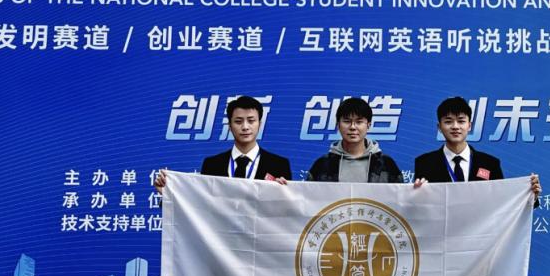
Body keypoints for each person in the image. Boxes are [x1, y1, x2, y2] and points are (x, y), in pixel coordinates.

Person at [154, 95, 290, 194]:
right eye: (238, 121)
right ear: (229, 126)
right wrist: (168, 194)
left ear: (259, 124)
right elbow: (199, 206)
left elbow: (287, 213)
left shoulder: (279, 165)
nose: (245, 127)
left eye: (251, 121)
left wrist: (285, 194)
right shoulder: (212, 165)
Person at [413, 96, 541, 199]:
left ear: (469, 125)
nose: (455, 126)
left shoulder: (490, 163)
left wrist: (530, 196)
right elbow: (419, 207)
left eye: (461, 121)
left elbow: (502, 201)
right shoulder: (424, 163)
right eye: (448, 121)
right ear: (439, 127)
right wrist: (416, 195)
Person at [306, 97, 404, 183]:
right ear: (338, 125)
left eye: (359, 122)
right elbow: (308, 196)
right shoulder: (322, 165)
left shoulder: (386, 164)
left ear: (368, 125)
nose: (353, 127)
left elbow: (399, 195)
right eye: (347, 121)